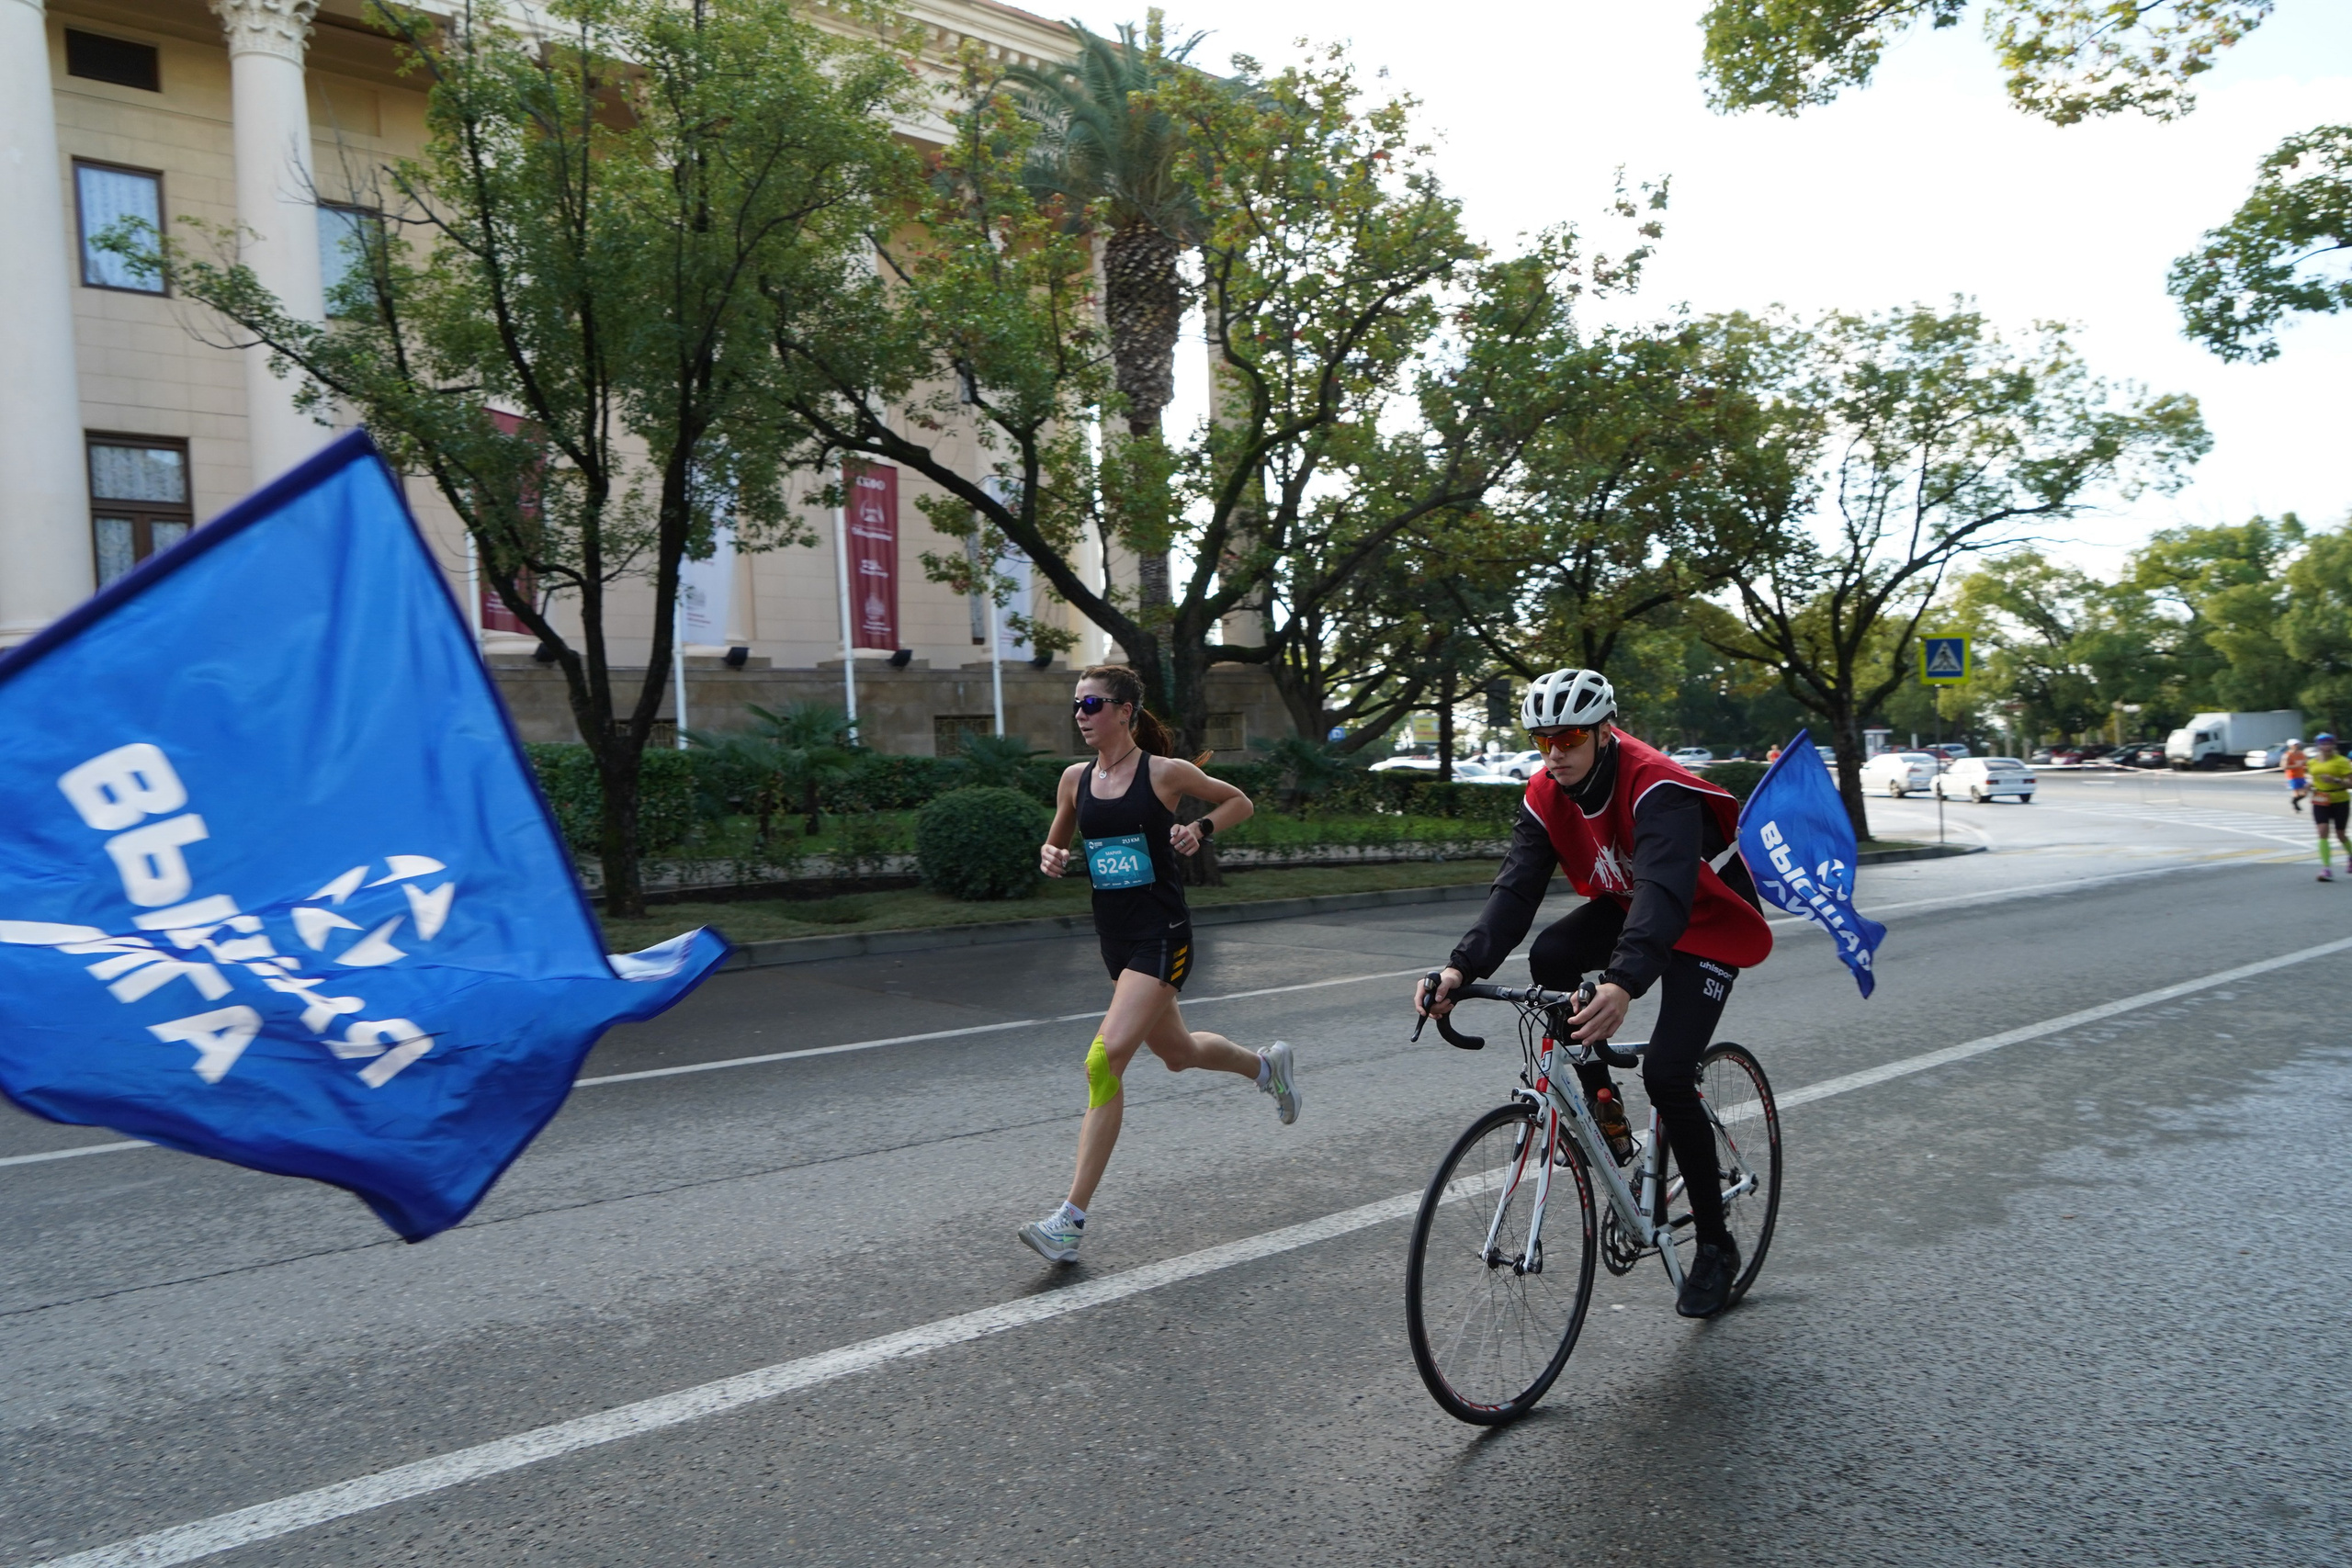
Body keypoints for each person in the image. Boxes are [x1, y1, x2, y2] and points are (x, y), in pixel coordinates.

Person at [1415, 669, 1774, 1319]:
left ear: (1605, 730)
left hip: (1704, 918)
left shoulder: (1655, 786)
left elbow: (1665, 896)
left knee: (1668, 1073)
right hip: (1634, 907)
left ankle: (1716, 1248)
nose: (1556, 749)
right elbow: (1516, 890)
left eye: (1571, 734)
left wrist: (1622, 983)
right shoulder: (1546, 792)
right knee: (1551, 955)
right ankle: (1603, 1103)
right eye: (1543, 736)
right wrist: (1458, 969)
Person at [1019, 664, 1298, 1264]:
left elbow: (1238, 801)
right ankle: (1266, 1068)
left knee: (1103, 1059)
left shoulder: (1164, 773)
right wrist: (1051, 852)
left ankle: (1069, 1219)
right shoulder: (1074, 780)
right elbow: (1059, 840)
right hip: (1116, 942)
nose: (1081, 715)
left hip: (1162, 937)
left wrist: (1200, 827)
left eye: (1091, 704)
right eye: (1076, 705)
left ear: (1124, 710)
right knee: (1178, 1054)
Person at [2309, 733, 2350, 881]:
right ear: (2318, 746)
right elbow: (2313, 779)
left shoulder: (2341, 761)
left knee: (2340, 834)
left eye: (2329, 744)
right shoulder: (2312, 762)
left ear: (2333, 745)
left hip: (2339, 798)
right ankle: (2326, 868)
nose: (2326, 747)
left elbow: (2350, 783)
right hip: (2320, 798)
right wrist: (2309, 785)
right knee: (2322, 830)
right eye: (2323, 744)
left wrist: (2336, 780)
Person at [2283, 739, 2309, 813]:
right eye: (2295, 745)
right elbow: (2284, 766)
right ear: (2290, 746)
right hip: (2292, 776)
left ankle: (2294, 802)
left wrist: (2306, 767)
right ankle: (2295, 806)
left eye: (2297, 744)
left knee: (2305, 793)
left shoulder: (2301, 754)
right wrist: (2295, 766)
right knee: (2296, 794)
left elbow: (2306, 763)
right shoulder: (2288, 755)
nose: (2297, 746)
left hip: (2301, 776)